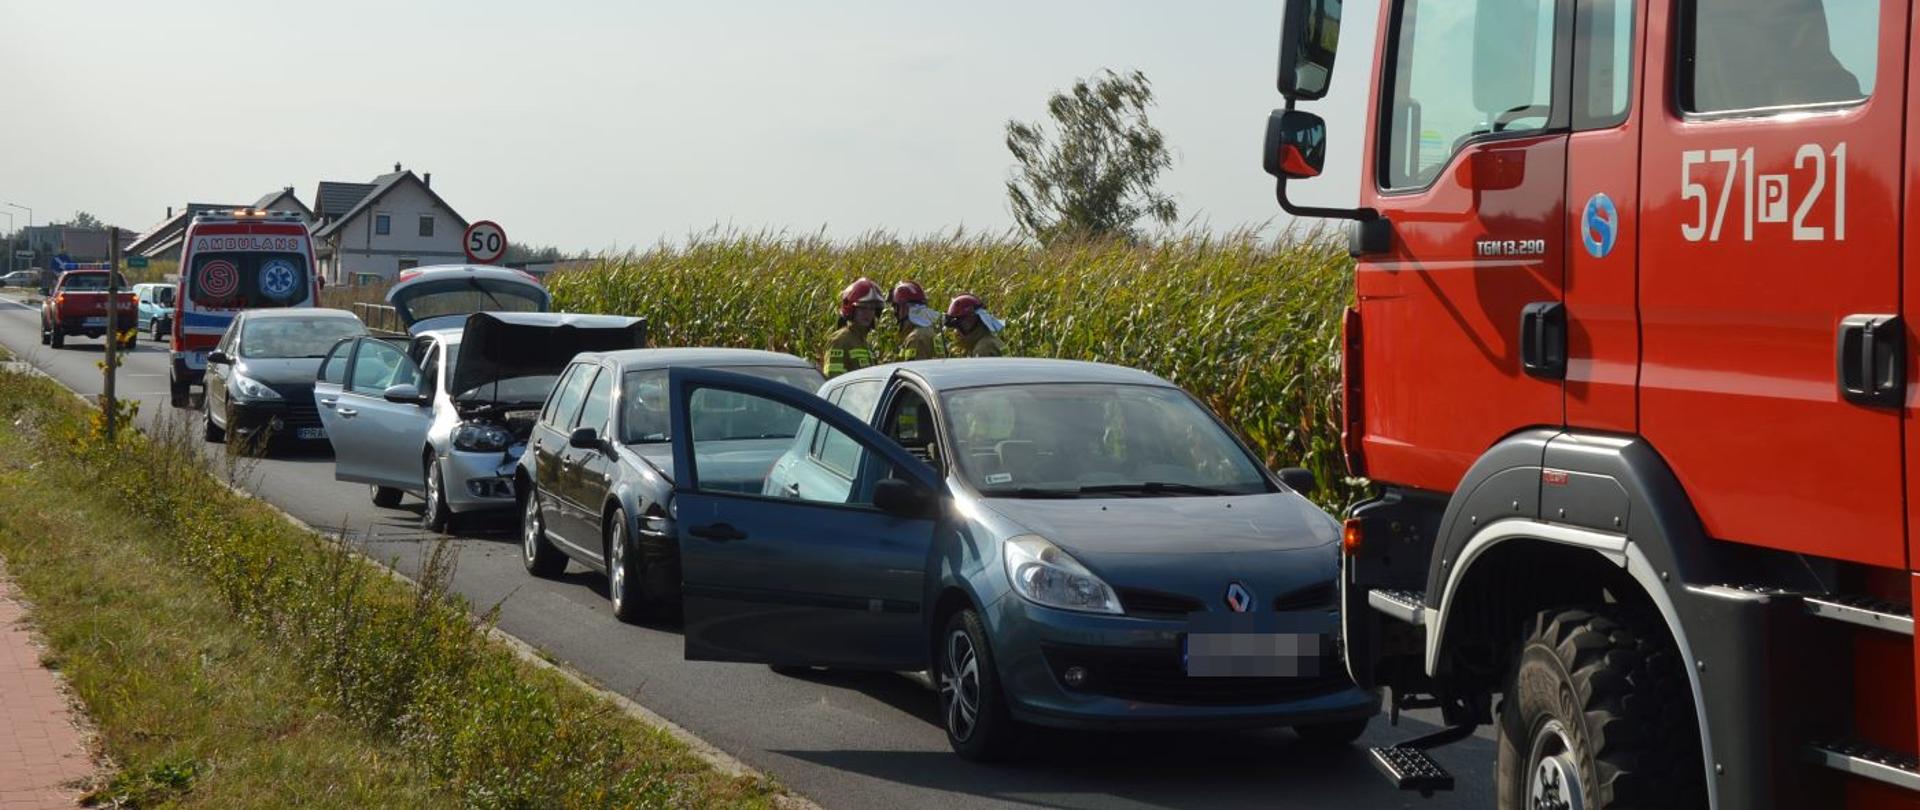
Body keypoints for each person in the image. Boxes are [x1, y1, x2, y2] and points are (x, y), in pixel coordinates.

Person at [823, 277, 885, 377]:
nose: (868, 313)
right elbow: (832, 378)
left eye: (872, 308)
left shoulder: (864, 342)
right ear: (851, 309)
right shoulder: (840, 340)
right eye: (863, 307)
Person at [889, 281, 941, 361]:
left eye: (895, 307)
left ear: (904, 308)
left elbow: (914, 367)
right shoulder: (929, 331)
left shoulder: (916, 338)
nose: (895, 312)